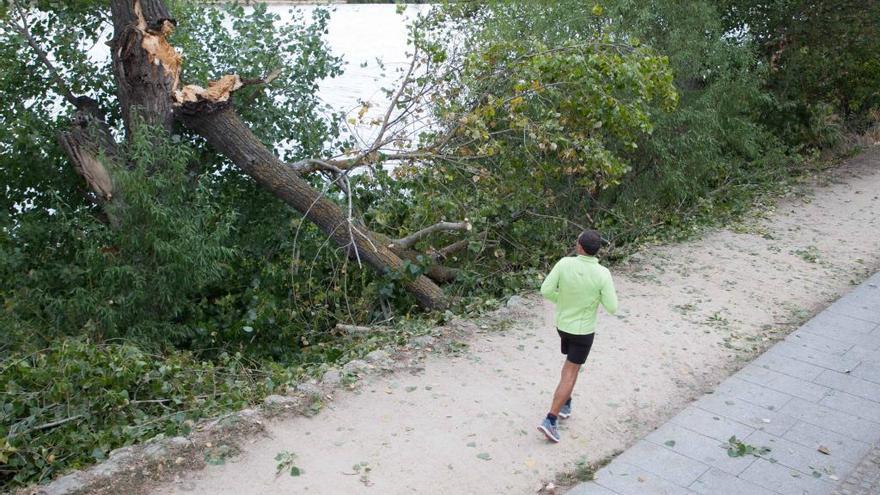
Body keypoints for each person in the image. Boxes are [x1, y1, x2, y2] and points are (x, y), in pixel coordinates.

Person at [537, 229, 618, 443]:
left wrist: (563, 301)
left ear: (580, 247)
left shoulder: (564, 264)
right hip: (583, 330)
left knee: (570, 365)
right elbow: (612, 307)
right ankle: (551, 419)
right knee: (572, 370)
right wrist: (591, 301)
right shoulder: (603, 274)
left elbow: (545, 290)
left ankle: (566, 402)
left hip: (563, 326)